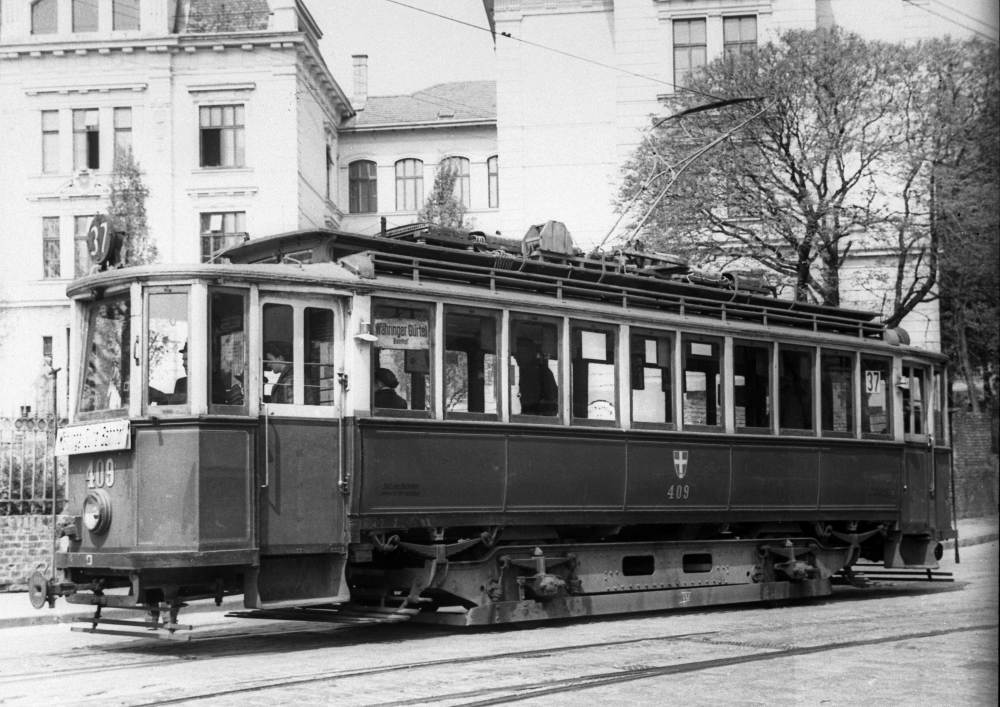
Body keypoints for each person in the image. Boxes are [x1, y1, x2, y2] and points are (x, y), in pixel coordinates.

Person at [514, 338, 558, 416]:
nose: (516, 357)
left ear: (531, 354)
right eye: (517, 354)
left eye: (520, 353)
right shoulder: (537, 369)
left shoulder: (533, 371)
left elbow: (531, 404)